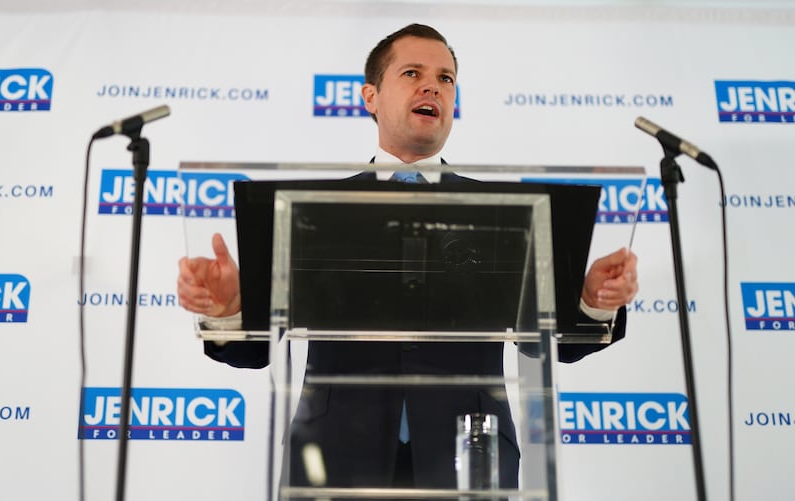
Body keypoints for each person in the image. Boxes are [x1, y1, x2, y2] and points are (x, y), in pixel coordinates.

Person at [178, 23, 638, 493]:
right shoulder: (309, 210)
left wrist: (591, 300)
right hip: (334, 461)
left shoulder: (509, 214)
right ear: (370, 97)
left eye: (446, 79)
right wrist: (229, 310)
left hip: (470, 458)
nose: (432, 86)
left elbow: (551, 344)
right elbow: (254, 350)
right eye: (413, 73)